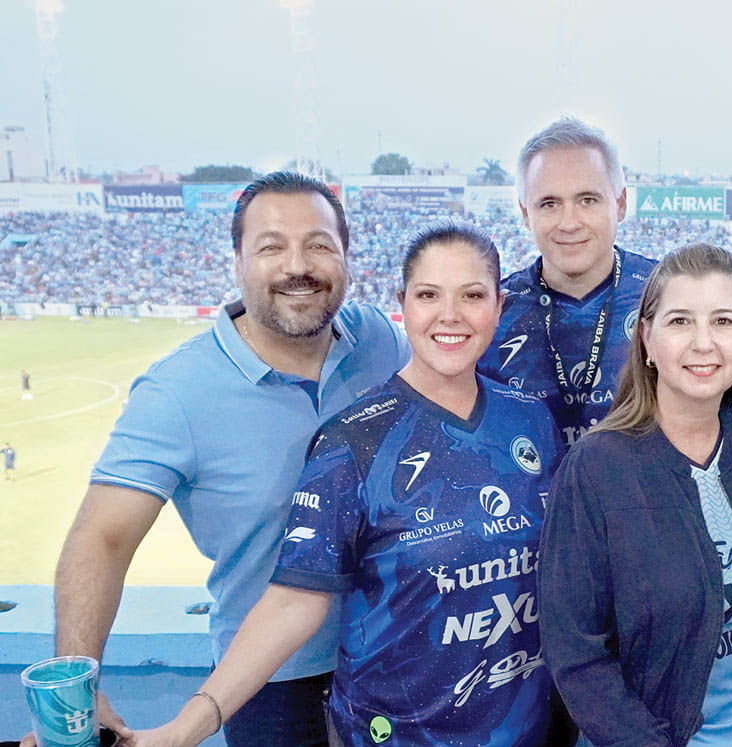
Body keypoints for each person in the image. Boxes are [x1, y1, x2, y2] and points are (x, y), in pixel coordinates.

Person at [131, 222, 561, 747]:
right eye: (429, 295)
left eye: (472, 295)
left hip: (525, 730)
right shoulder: (352, 441)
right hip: (392, 735)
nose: (450, 315)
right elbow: (295, 600)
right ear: (403, 304)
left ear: (498, 306)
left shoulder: (532, 421)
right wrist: (185, 728)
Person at [41, 172, 410, 746]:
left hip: (397, 652)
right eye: (271, 246)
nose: (298, 265)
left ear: (347, 259)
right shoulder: (178, 392)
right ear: (237, 261)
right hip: (268, 682)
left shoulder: (380, 341)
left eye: (319, 244)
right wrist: (77, 683)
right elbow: (101, 539)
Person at [539, 244, 732, 746]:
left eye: (724, 321)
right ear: (646, 337)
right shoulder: (596, 469)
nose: (703, 343)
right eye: (680, 321)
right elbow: (576, 654)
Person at [477, 117, 656, 448]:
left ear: (620, 203)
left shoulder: (667, 296)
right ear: (525, 213)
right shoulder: (490, 312)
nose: (569, 223)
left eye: (587, 200)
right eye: (549, 204)